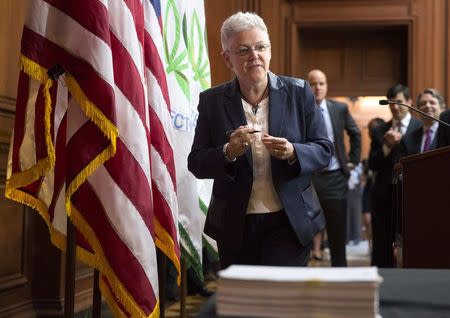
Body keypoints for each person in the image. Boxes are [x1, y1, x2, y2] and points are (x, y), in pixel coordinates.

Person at [188, 12, 333, 269]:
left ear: (270, 51)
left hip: (289, 223)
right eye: (243, 50)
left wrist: (293, 152)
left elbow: (324, 149)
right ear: (227, 58)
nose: (254, 55)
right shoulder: (211, 101)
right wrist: (227, 152)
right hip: (235, 224)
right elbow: (196, 162)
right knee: (242, 304)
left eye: (261, 47)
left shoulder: (299, 92)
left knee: (283, 304)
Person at [307, 69, 361, 267]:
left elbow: (355, 133)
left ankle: (341, 274)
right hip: (309, 178)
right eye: (313, 83)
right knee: (305, 230)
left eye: (321, 83)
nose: (317, 87)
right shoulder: (301, 109)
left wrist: (353, 161)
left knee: (337, 233)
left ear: (326, 86)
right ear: (308, 86)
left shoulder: (339, 109)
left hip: (336, 177)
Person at [368, 84, 422, 268]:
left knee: (414, 243)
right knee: (382, 246)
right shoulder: (380, 130)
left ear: (409, 102)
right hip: (384, 197)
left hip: (413, 196)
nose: (395, 107)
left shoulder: (420, 127)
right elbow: (372, 164)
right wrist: (387, 147)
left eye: (399, 102)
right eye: (391, 103)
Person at [398, 88, 445, 158]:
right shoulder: (407, 139)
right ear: (418, 109)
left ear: (442, 108)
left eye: (432, 102)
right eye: (423, 103)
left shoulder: (447, 133)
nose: (427, 106)